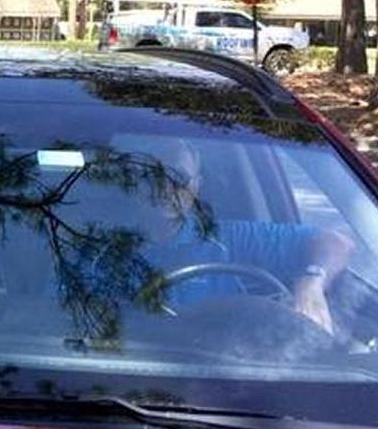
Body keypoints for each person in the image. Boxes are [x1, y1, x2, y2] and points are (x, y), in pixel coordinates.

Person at [131, 138, 354, 335]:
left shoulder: (230, 238)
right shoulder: (102, 244)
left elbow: (336, 243)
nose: (166, 187)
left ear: (196, 186)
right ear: (135, 182)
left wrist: (312, 280)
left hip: (225, 372)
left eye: (179, 177)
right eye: (153, 174)